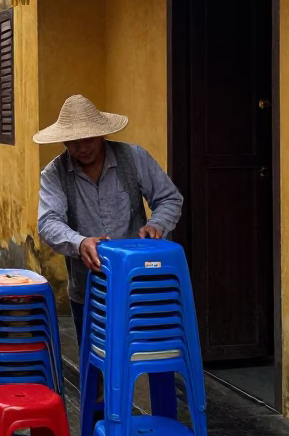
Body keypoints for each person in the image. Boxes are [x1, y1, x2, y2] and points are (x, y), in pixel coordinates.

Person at [35, 94, 183, 347]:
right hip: (89, 288)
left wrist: (156, 225)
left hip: (141, 284)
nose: (82, 148)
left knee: (152, 354)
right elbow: (48, 222)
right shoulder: (54, 173)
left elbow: (170, 198)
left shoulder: (134, 158)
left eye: (88, 140)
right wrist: (80, 243)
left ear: (102, 134)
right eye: (73, 142)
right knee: (95, 363)